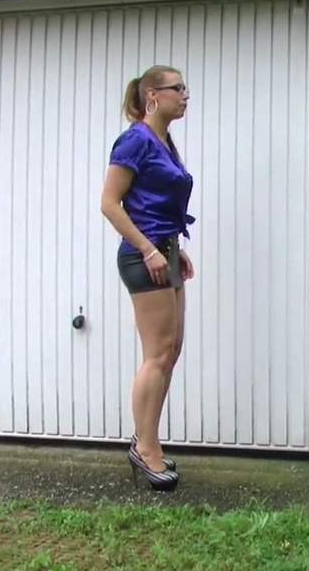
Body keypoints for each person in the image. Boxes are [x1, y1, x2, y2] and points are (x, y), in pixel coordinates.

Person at [100, 65, 196, 491]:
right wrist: (149, 249)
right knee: (156, 355)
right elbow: (110, 203)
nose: (185, 95)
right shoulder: (135, 140)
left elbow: (156, 204)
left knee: (170, 351)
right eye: (178, 88)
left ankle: (148, 441)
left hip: (165, 251)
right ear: (153, 96)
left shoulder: (164, 141)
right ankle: (145, 448)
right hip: (145, 258)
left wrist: (175, 247)